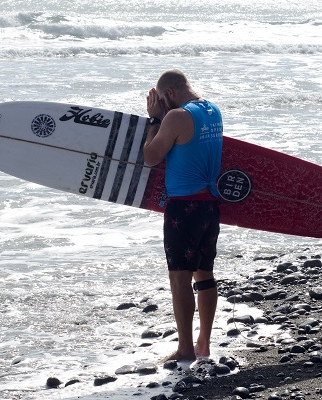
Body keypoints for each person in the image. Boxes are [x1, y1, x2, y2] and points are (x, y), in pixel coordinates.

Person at [143, 69, 223, 362]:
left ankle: (185, 349)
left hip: (183, 207)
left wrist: (154, 120)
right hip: (210, 205)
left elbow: (151, 157)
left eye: (162, 101)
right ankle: (204, 344)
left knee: (179, 278)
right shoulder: (213, 111)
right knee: (204, 275)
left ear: (170, 94)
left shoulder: (176, 117)